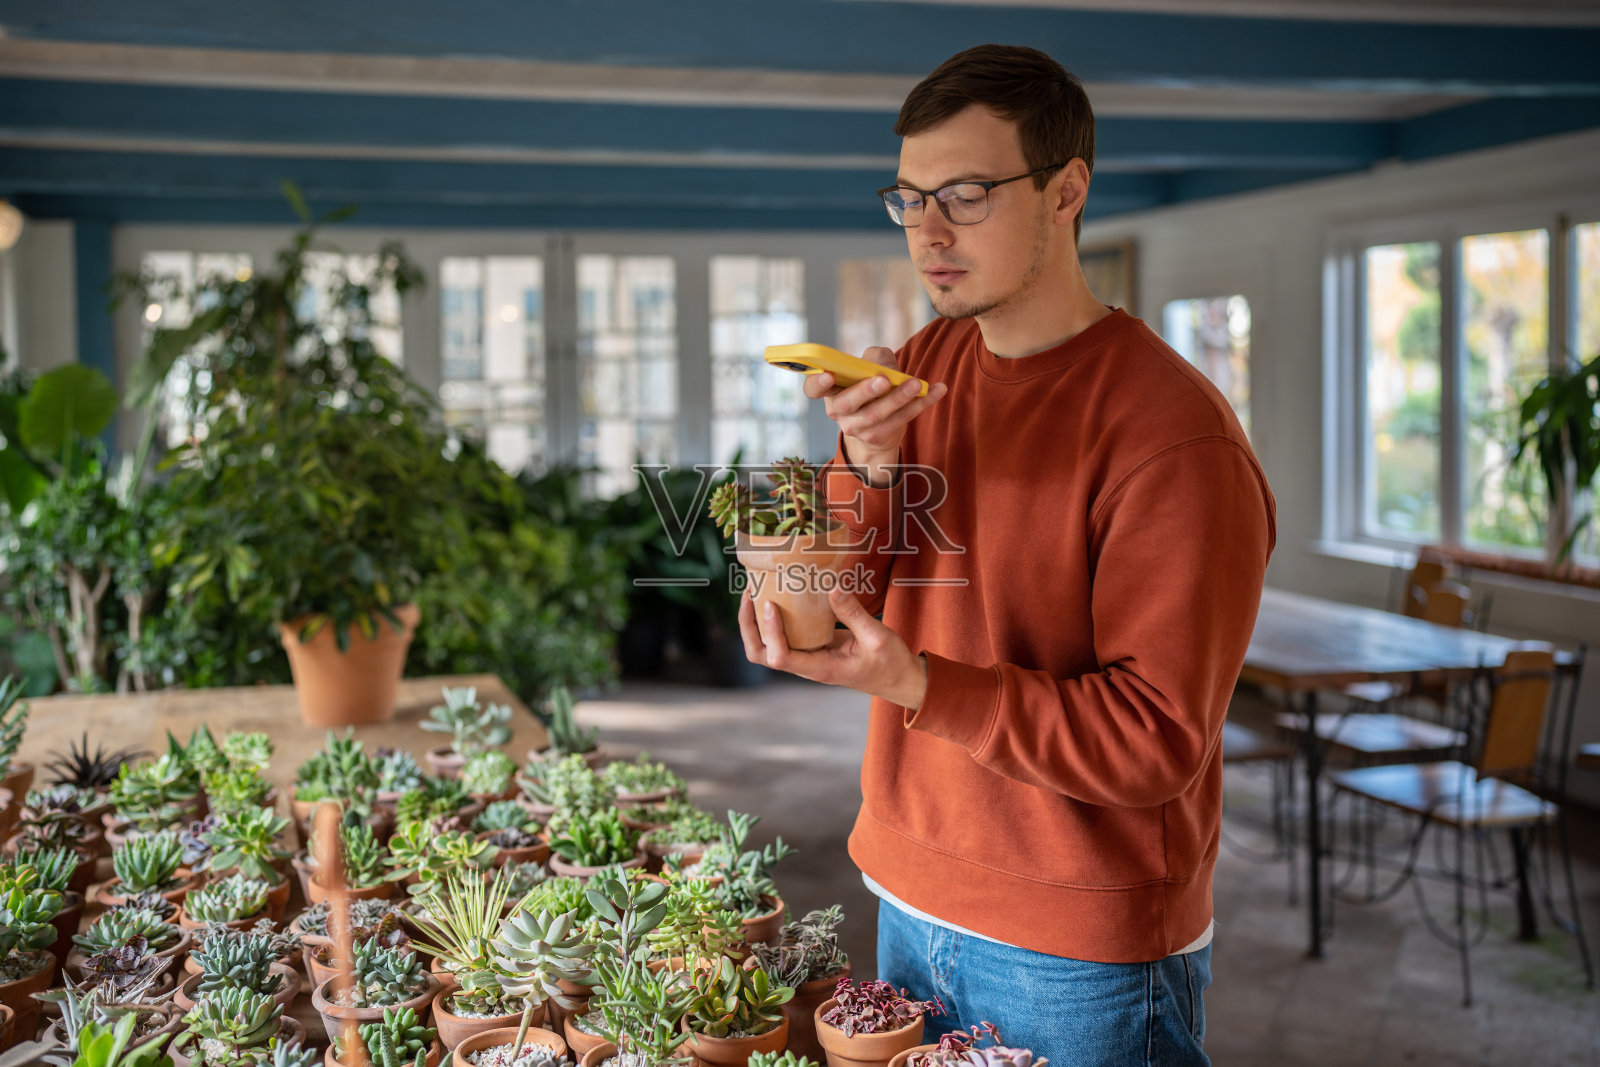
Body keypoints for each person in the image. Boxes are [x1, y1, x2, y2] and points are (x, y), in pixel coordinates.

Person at [736, 43, 1276, 1066]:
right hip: (906, 892)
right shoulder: (922, 364)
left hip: (1078, 952)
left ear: (1065, 191)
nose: (928, 232)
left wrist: (915, 680)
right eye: (909, 199)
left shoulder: (1174, 437)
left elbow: (1155, 739)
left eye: (967, 195)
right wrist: (868, 463)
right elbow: (846, 600)